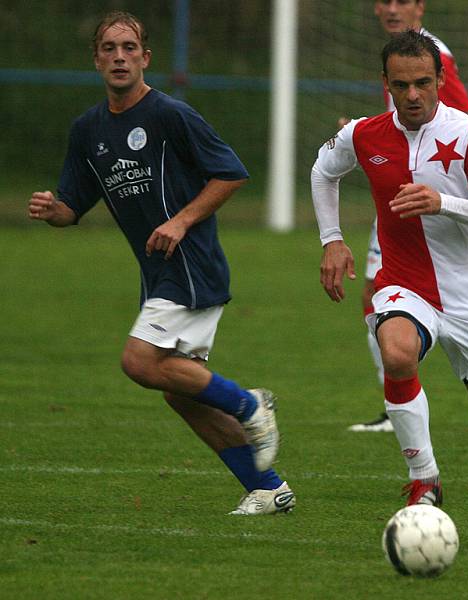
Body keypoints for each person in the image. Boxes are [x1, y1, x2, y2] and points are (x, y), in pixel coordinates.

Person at [27, 11, 293, 516]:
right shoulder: (88, 129)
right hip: (158, 273)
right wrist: (51, 210)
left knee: (139, 362)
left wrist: (181, 221)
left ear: (146, 57)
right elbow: (72, 207)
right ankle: (268, 488)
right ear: (97, 59)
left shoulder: (171, 114)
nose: (120, 56)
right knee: (182, 393)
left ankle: (250, 405)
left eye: (129, 47)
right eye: (109, 48)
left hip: (190, 264)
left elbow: (230, 173)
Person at [312, 30, 468, 551]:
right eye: (402, 85)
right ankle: (425, 481)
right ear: (386, 85)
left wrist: (444, 202)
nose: (414, 95)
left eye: (423, 83)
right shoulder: (364, 134)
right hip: (405, 282)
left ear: (441, 81)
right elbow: (322, 170)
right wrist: (333, 240)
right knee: (395, 351)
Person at [349, 0, 468, 433]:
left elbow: (464, 125)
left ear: (420, 6)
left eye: (403, 1)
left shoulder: (432, 56)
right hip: (404, 198)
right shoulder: (401, 56)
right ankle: (396, 402)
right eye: (385, 1)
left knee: (383, 299)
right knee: (375, 298)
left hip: (423, 203)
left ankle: (399, 403)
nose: (392, 9)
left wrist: (447, 187)